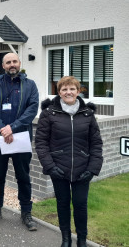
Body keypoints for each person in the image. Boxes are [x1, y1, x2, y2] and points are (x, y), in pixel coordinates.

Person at [35, 76, 103, 247]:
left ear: (78, 91)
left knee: (80, 205)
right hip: (59, 169)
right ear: (59, 93)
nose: (68, 92)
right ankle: (65, 239)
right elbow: (41, 143)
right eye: (64, 89)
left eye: (72, 89)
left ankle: (81, 240)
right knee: (63, 204)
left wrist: (93, 168)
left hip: (83, 169)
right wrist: (50, 167)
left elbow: (96, 143)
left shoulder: (87, 114)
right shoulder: (48, 114)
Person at [0, 52, 39, 231]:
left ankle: (26, 212)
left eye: (14, 61)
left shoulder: (30, 85)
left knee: (23, 176)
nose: (12, 64)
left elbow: (32, 109)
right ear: (3, 65)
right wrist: (2, 129)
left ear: (19, 63)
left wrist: (12, 128)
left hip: (20, 138)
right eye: (8, 62)